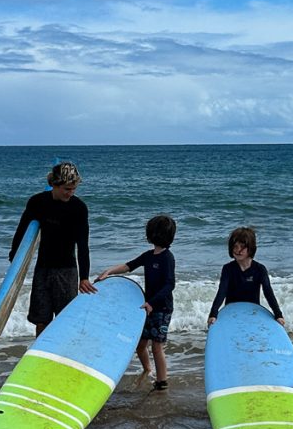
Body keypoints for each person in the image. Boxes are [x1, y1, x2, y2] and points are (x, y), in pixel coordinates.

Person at [9, 160, 96, 336]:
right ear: (54, 184)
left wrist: (84, 277)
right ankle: (41, 357)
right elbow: (22, 230)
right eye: (66, 189)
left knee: (65, 320)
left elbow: (83, 245)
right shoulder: (37, 202)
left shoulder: (79, 208)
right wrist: (14, 259)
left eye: (73, 189)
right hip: (43, 269)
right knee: (41, 319)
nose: (70, 193)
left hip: (67, 271)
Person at [96, 215, 176, 390]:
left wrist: (152, 302)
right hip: (146, 307)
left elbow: (170, 284)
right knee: (140, 346)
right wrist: (109, 271)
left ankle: (162, 382)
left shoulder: (167, 258)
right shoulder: (148, 256)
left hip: (161, 308)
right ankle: (148, 370)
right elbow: (128, 266)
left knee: (156, 346)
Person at [207, 226, 285, 327]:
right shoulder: (228, 269)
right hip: (232, 312)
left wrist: (278, 315)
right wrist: (213, 314)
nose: (238, 250)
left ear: (251, 248)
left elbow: (268, 293)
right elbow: (222, 292)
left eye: (242, 247)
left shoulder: (260, 269)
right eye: (235, 246)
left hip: (252, 312)